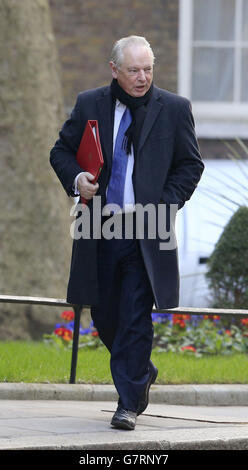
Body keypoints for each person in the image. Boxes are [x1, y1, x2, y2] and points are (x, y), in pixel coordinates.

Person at [50, 35, 204, 430]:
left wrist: (164, 205)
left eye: (148, 68)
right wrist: (78, 179)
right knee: (105, 315)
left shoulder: (173, 109)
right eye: (133, 70)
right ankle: (141, 372)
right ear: (114, 70)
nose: (142, 77)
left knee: (136, 314)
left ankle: (128, 403)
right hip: (98, 226)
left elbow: (190, 166)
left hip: (146, 228)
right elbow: (61, 152)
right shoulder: (90, 104)